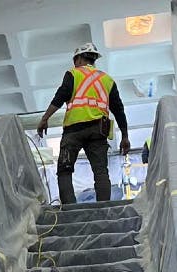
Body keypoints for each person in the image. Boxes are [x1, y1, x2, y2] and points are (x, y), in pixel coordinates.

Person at [35, 43, 131, 204]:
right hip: (98, 131)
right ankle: (104, 208)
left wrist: (44, 119)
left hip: (74, 131)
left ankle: (70, 209)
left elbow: (60, 96)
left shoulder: (73, 74)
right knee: (100, 171)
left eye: (75, 60)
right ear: (93, 59)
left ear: (79, 58)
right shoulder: (107, 80)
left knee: (64, 170)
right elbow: (119, 110)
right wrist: (125, 136)